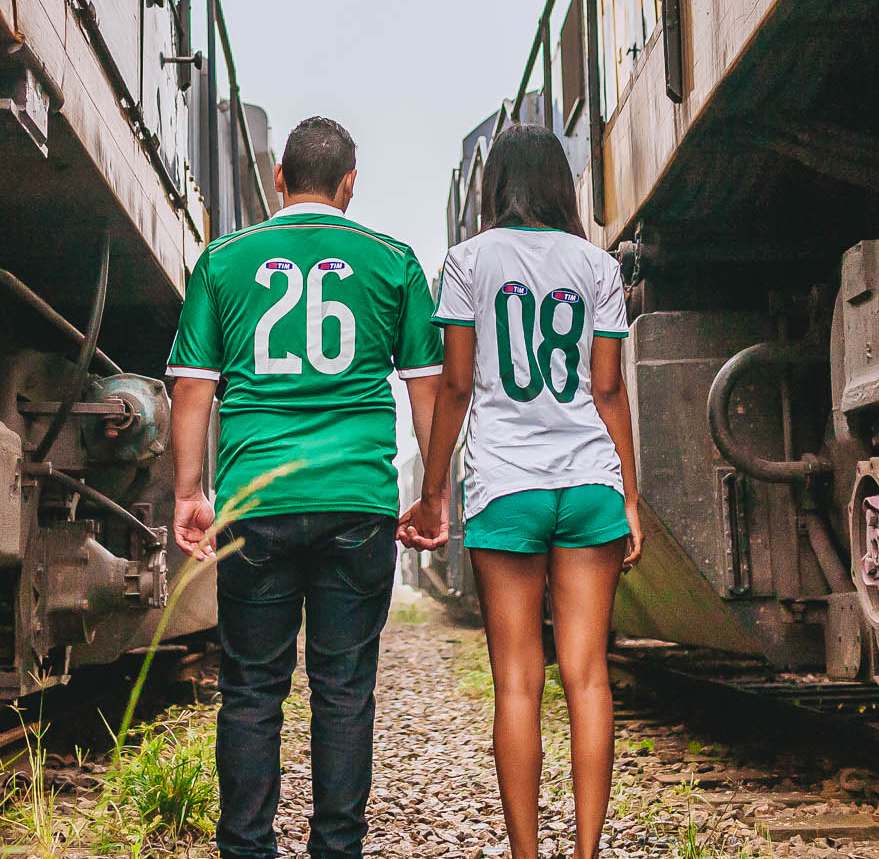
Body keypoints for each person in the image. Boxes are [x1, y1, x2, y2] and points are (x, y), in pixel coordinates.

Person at [166, 116, 446, 859]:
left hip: (256, 500)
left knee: (252, 691)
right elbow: (430, 393)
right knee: (344, 688)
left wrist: (189, 491)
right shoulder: (393, 261)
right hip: (358, 502)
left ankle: (247, 849)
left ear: (281, 179)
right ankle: (336, 849)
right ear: (350, 184)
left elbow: (193, 388)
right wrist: (434, 494)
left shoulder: (223, 260)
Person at [401, 123, 642, 859]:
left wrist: (434, 488)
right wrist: (630, 496)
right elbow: (607, 386)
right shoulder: (596, 264)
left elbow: (458, 382)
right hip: (589, 480)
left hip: (507, 485)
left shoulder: (467, 261)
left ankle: (527, 856)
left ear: (493, 181)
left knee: (516, 683)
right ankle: (589, 853)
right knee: (588, 674)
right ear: (559, 183)